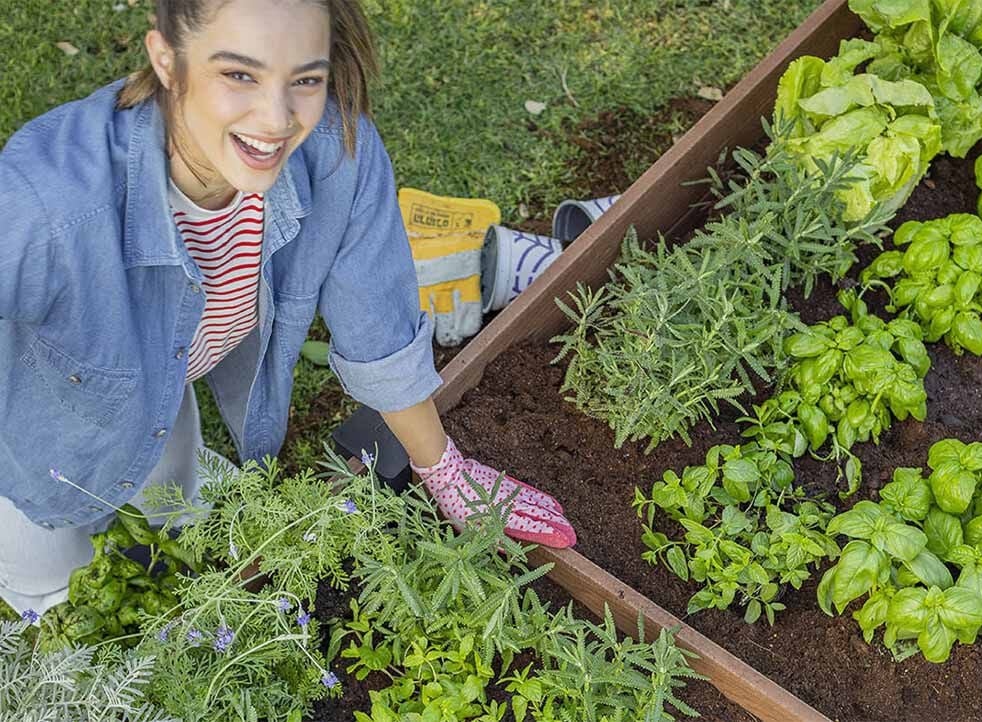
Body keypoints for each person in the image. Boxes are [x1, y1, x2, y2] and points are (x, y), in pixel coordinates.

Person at [0, 0, 575, 617]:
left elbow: (376, 328)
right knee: (53, 596)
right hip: (35, 426)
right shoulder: (46, 204)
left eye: (304, 78)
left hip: (159, 389)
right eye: (239, 74)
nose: (276, 121)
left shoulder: (335, 150)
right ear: (167, 60)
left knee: (176, 518)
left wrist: (445, 472)